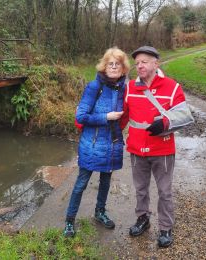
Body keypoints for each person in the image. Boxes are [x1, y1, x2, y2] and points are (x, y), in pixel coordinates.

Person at [120, 46, 194, 247]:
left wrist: (165, 123)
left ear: (156, 63)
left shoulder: (172, 87)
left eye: (144, 62)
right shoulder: (129, 88)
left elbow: (185, 115)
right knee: (141, 189)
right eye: (137, 63)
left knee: (165, 191)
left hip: (162, 149)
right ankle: (143, 219)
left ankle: (165, 228)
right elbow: (123, 116)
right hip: (136, 148)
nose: (140, 66)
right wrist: (112, 134)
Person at [64, 47, 130, 237]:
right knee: (81, 183)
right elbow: (81, 116)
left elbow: (140, 93)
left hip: (112, 143)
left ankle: (100, 212)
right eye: (111, 64)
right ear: (104, 66)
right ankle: (69, 220)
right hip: (92, 144)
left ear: (123, 68)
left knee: (105, 181)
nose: (114, 67)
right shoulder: (94, 87)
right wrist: (106, 116)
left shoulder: (124, 88)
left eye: (118, 64)